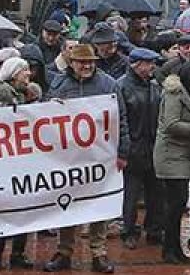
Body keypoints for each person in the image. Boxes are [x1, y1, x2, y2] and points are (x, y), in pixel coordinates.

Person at [44, 43, 129, 274]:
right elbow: (46, 118)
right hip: (69, 158)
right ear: (72, 63)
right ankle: (64, 251)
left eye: (90, 62)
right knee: (67, 203)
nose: (87, 66)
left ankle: (98, 253)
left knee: (98, 204)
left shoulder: (108, 84)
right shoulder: (59, 84)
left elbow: (120, 119)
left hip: (100, 157)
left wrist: (122, 153)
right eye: (82, 62)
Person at [0, 57, 39, 270]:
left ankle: (18, 253)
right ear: (14, 74)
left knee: (24, 209)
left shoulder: (27, 94)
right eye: (24, 71)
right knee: (4, 209)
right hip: (6, 162)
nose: (28, 74)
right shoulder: (2, 96)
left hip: (24, 161)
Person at [153, 59, 190, 265]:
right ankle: (169, 250)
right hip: (170, 154)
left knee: (177, 204)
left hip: (184, 154)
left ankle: (174, 248)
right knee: (175, 203)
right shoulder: (174, 94)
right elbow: (171, 124)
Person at [116, 47, 162, 251]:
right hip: (133, 149)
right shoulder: (121, 87)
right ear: (137, 65)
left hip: (152, 148)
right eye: (149, 63)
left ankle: (154, 230)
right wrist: (124, 149)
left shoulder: (154, 86)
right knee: (131, 195)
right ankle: (129, 231)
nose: (153, 67)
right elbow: (120, 120)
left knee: (156, 193)